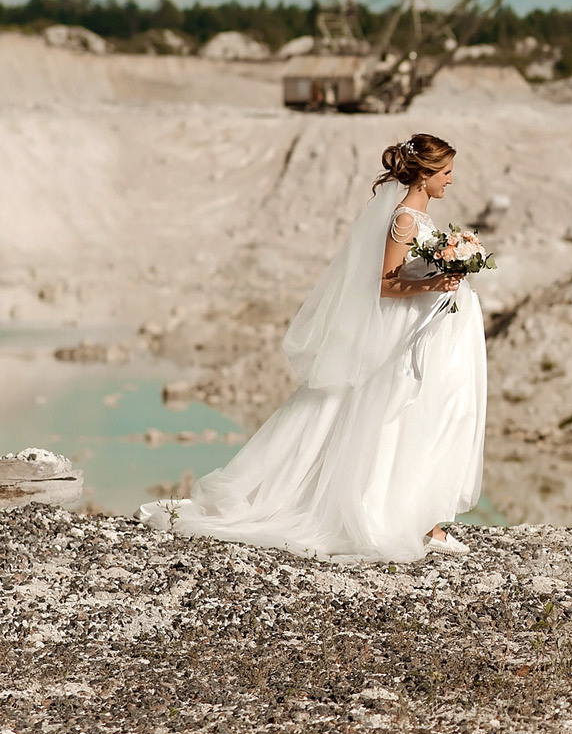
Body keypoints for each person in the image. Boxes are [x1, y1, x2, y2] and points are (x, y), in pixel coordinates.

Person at [144, 134, 487, 561]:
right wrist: (435, 281)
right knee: (393, 416)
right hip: (401, 334)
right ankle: (398, 517)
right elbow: (384, 285)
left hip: (424, 331)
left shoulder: (424, 219)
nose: (452, 181)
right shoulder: (404, 220)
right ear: (424, 175)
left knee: (427, 415)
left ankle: (427, 519)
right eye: (446, 172)